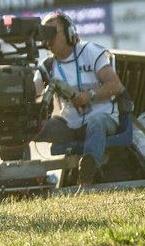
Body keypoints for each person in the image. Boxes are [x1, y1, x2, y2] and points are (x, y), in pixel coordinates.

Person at [35, 11, 125, 184]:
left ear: (69, 33)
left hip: (103, 118)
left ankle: (89, 169)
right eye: (45, 33)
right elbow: (32, 93)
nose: (49, 38)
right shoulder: (47, 65)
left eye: (53, 32)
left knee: (96, 122)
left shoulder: (90, 51)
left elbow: (115, 85)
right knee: (34, 126)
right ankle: (18, 174)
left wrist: (89, 95)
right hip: (69, 124)